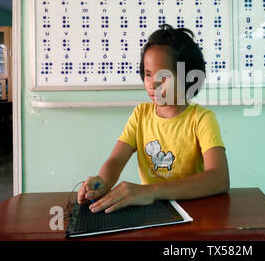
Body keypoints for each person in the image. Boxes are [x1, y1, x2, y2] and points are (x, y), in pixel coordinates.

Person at [78, 24, 229, 213]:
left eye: (163, 77)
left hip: (194, 212)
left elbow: (219, 178)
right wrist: (102, 182)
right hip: (152, 213)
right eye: (148, 74)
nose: (152, 84)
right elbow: (116, 160)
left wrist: (151, 191)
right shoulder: (140, 115)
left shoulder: (202, 119)